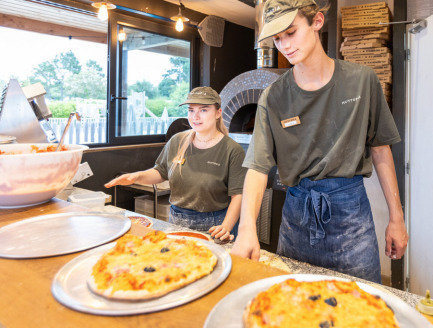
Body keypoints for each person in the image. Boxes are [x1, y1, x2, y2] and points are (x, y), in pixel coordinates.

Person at [231, 0, 408, 283]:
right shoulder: (273, 97)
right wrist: (247, 228)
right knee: (293, 306)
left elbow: (381, 150)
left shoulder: (363, 81)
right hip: (295, 217)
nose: (284, 45)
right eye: (277, 38)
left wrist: (397, 218)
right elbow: (257, 167)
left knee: (359, 308)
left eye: (291, 32)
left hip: (352, 217)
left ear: (317, 22)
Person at [105, 87, 247, 241]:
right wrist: (136, 176)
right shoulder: (177, 141)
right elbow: (161, 172)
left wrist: (225, 226)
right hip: (176, 220)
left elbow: (238, 195)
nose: (195, 116)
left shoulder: (232, 150)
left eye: (203, 110)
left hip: (216, 225)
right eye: (191, 110)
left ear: (218, 113)